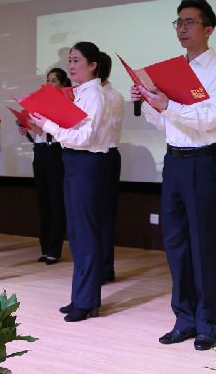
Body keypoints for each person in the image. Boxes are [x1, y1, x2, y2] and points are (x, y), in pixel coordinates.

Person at [131, 0, 216, 351]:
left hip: (205, 161)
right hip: (174, 161)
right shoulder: (173, 70)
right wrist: (149, 100)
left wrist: (167, 104)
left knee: (205, 244)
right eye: (178, 22)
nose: (182, 28)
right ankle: (184, 318)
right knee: (176, 243)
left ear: (209, 29)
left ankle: (208, 323)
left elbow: (210, 119)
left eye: (190, 22)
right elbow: (167, 122)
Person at [29, 42, 110, 323]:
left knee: (85, 232)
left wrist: (49, 126)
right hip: (74, 162)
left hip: (87, 163)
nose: (71, 66)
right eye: (70, 60)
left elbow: (84, 137)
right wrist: (46, 123)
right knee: (76, 233)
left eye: (77, 60)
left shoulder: (95, 95)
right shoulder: (80, 93)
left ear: (93, 65)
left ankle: (86, 300)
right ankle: (82, 297)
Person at [20, 68, 70, 265]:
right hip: (40, 151)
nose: (50, 84)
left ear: (63, 84)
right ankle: (45, 247)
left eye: (54, 81)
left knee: (56, 201)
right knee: (43, 201)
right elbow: (39, 133)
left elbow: (66, 132)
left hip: (56, 152)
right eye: (48, 80)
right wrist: (28, 129)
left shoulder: (66, 103)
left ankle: (54, 249)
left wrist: (44, 128)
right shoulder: (40, 104)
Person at [98, 53, 125, 284]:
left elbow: (107, 127)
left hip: (106, 157)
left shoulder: (114, 96)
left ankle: (106, 268)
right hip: (84, 157)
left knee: (104, 215)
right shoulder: (80, 95)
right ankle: (91, 267)